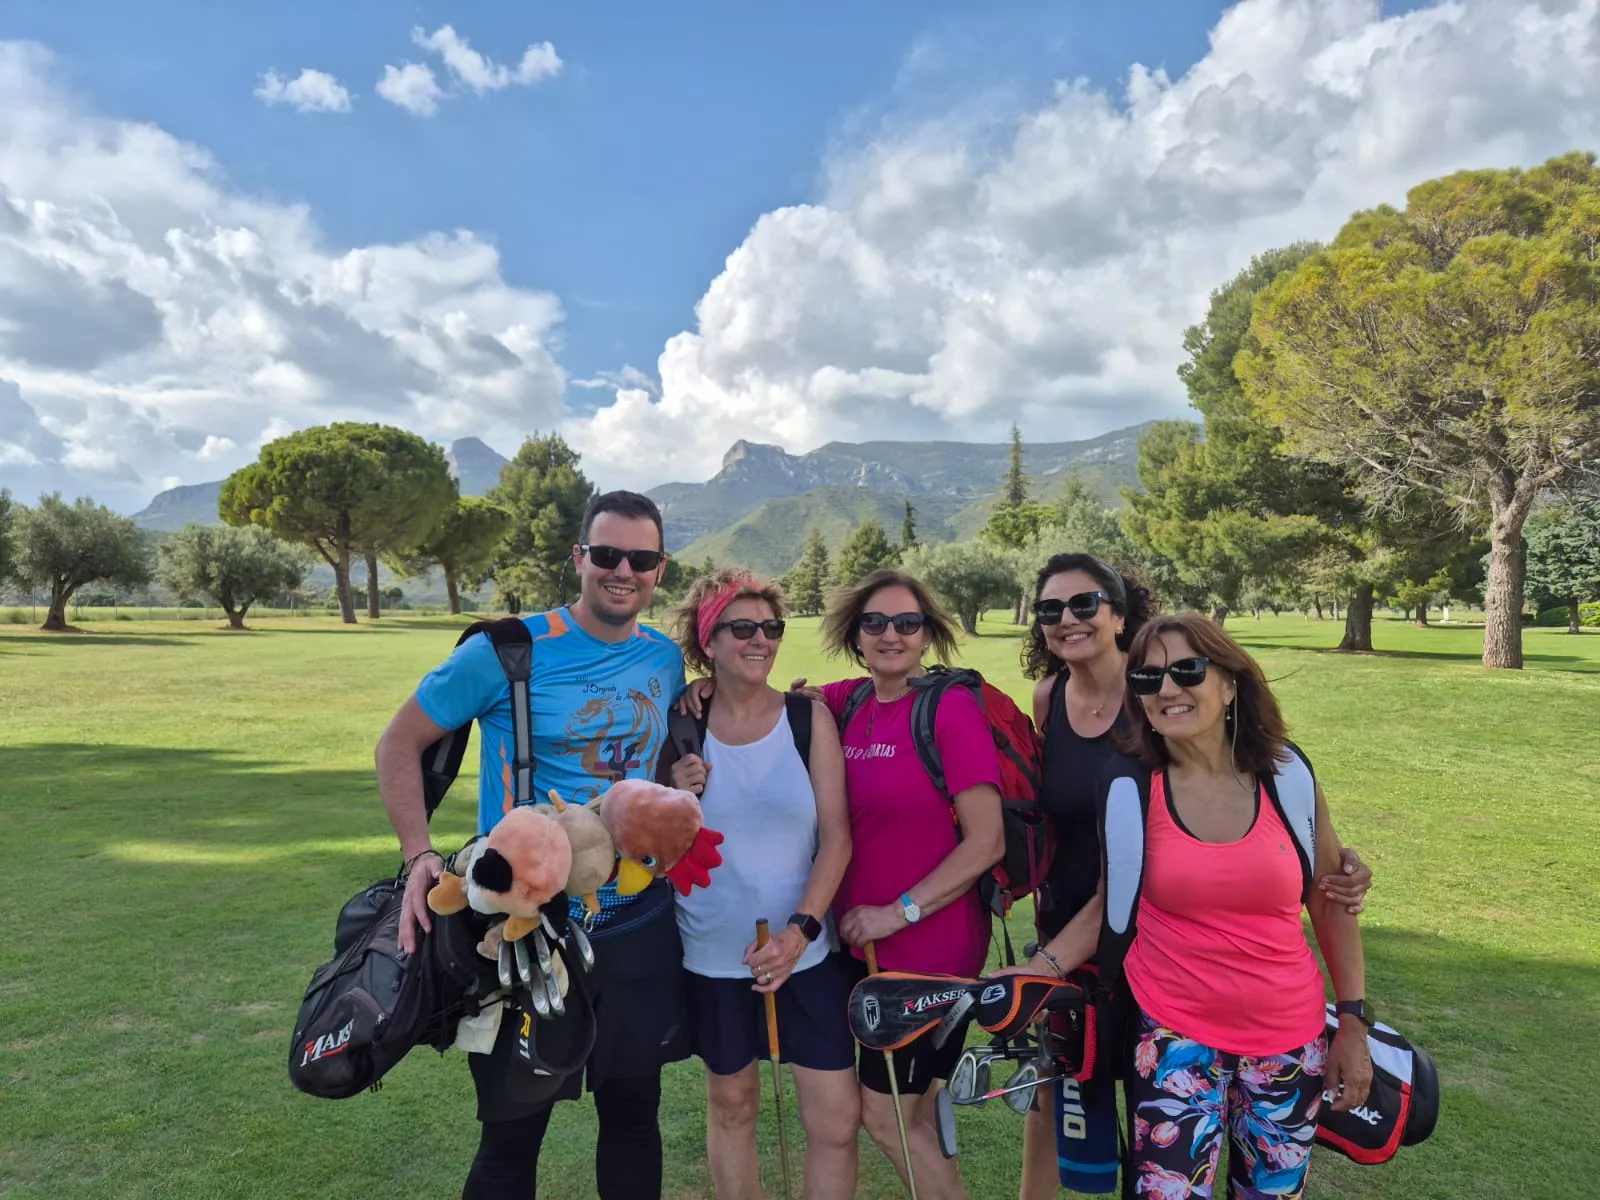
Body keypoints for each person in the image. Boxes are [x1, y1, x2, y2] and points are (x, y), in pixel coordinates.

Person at [1003, 556, 1375, 1198]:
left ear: (1229, 684)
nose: (1167, 688)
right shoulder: (1128, 787)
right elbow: (1110, 896)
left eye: (1188, 671)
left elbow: (1329, 896)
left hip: (1289, 1039)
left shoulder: (1288, 776)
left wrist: (1354, 1024)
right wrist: (1041, 970)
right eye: (1149, 677)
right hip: (1173, 1035)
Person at [373, 490, 689, 1200]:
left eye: (640, 559)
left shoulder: (665, 660)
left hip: (636, 926)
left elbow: (659, 765)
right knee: (512, 1137)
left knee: (635, 1117)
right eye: (606, 555)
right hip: (526, 933)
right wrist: (420, 854)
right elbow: (398, 745)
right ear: (579, 559)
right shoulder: (506, 650)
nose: (622, 571)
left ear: (658, 569)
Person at [805, 569, 1006, 1200]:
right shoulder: (849, 702)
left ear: (927, 635)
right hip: (856, 953)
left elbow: (987, 841)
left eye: (907, 623)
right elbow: (779, 698)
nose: (890, 635)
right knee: (907, 1114)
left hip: (927, 957)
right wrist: (702, 694)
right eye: (875, 623)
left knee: (890, 1115)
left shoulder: (948, 709)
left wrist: (901, 911)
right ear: (854, 635)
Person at [661, 566, 859, 1200]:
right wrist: (671, 794)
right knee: (734, 1106)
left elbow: (838, 838)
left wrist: (800, 933)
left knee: (834, 1120)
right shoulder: (680, 725)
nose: (760, 640)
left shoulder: (807, 719)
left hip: (807, 952)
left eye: (770, 627)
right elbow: (644, 842)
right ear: (708, 641)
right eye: (740, 627)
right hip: (713, 957)